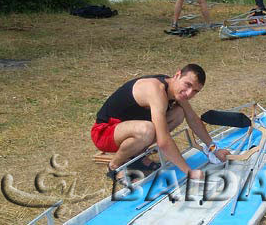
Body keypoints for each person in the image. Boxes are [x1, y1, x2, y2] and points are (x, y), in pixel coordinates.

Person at [90, 64, 230, 183]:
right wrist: (189, 172)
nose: (188, 93)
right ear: (177, 75)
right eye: (188, 85)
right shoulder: (156, 90)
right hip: (104, 132)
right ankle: (114, 166)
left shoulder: (175, 90)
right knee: (148, 129)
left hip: (126, 130)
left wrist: (214, 149)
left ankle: (135, 155)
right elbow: (163, 142)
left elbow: (193, 119)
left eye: (195, 91)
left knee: (179, 113)